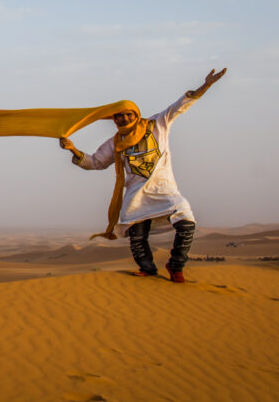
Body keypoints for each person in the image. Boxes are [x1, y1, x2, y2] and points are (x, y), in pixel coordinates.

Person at [59, 68, 226, 283]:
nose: (124, 118)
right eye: (119, 116)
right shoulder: (115, 142)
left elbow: (181, 106)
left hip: (164, 190)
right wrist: (73, 149)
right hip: (136, 195)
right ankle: (147, 269)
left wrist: (206, 85)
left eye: (128, 114)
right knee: (137, 237)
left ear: (136, 115)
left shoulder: (158, 124)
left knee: (187, 223)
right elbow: (96, 162)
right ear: (114, 120)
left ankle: (176, 266)